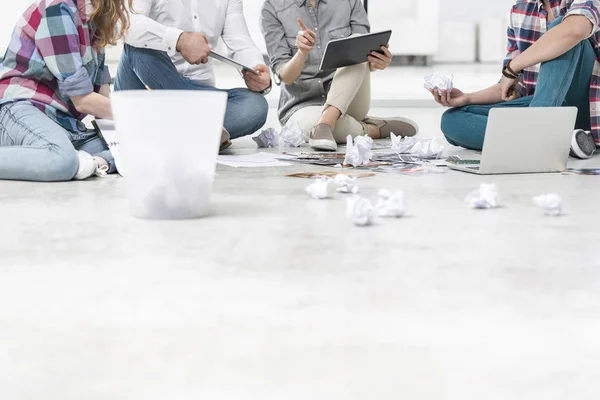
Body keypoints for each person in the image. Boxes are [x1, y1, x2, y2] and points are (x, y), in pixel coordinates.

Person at [434, 0, 600, 160]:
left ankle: (534, 135)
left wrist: (513, 68)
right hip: (542, 105)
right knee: (452, 119)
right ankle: (554, 138)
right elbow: (510, 88)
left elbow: (575, 30)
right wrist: (467, 98)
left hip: (587, 106)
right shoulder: (519, 10)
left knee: (562, 29)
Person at [260, 0, 419, 152]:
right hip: (302, 106)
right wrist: (302, 53)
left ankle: (327, 122)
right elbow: (286, 77)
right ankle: (372, 129)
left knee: (357, 42)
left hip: (350, 101)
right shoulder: (272, 7)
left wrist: (378, 62)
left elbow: (364, 56)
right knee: (307, 128)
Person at [0, 0, 131, 181]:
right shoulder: (58, 9)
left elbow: (102, 95)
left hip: (63, 123)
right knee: (61, 160)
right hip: (21, 108)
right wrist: (136, 116)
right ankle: (74, 162)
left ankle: (93, 163)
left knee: (134, 149)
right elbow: (83, 100)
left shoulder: (93, 21)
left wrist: (125, 139)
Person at [114, 0, 271, 150]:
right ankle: (197, 130)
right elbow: (127, 24)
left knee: (255, 106)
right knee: (139, 43)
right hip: (147, 87)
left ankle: (168, 133)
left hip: (199, 93)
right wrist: (179, 39)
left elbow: (240, 42)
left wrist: (256, 68)